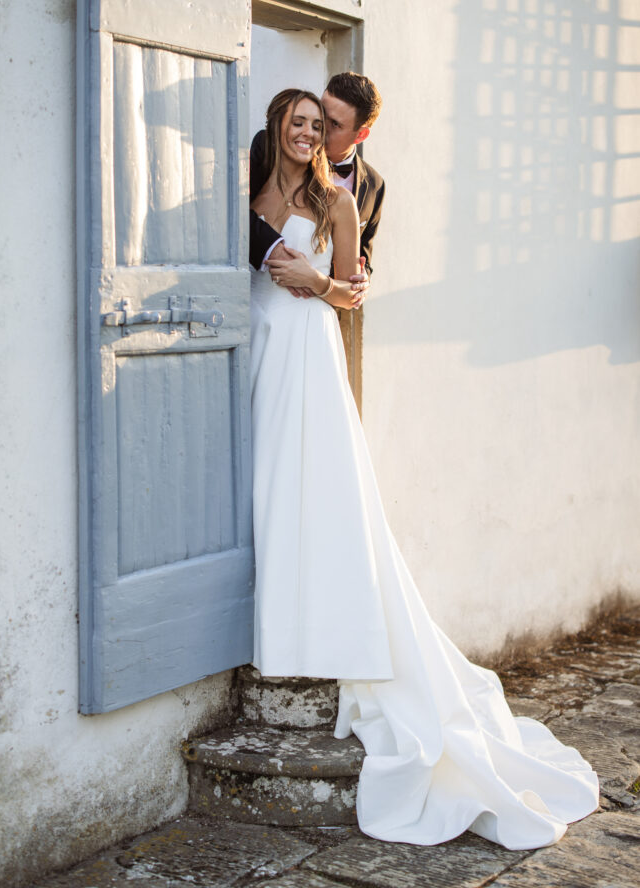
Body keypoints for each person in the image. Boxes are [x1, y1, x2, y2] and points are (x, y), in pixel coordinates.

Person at [250, 87, 599, 851]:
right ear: (277, 125)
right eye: (299, 122)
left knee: (309, 480)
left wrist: (314, 283)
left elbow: (349, 292)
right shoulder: (252, 183)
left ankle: (314, 615)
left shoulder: (340, 199)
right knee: (256, 480)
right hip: (253, 338)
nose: (309, 133)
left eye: (320, 124)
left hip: (307, 347)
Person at [249, 72, 385, 307]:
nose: (317, 128)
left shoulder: (373, 187)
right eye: (322, 112)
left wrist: (362, 282)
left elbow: (361, 260)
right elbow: (236, 214)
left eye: (334, 124)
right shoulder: (269, 145)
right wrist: (272, 249)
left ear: (360, 134)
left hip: (315, 315)